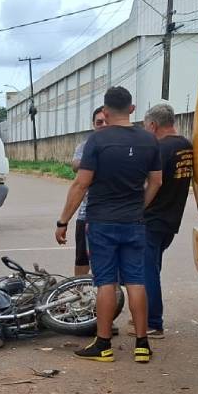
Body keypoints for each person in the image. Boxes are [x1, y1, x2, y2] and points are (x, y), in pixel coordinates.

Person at [54, 86, 162, 364]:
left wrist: (63, 221)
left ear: (105, 111)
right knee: (136, 281)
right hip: (134, 222)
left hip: (102, 223)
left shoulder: (97, 140)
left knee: (106, 283)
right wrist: (140, 206)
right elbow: (156, 181)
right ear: (132, 109)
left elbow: (81, 184)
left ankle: (103, 344)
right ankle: (142, 344)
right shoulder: (149, 140)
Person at [141, 103, 195, 339]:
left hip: (152, 218)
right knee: (153, 267)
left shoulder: (159, 148)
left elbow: (153, 182)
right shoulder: (186, 146)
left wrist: (139, 209)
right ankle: (145, 314)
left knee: (147, 272)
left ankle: (153, 323)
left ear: (153, 125)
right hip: (171, 219)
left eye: (146, 126)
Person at [71, 107, 109, 277]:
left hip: (112, 215)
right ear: (93, 125)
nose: (103, 125)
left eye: (106, 121)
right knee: (82, 259)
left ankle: (111, 292)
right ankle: (78, 290)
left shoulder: (120, 145)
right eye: (99, 122)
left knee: (109, 262)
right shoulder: (85, 146)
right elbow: (75, 166)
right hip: (86, 214)